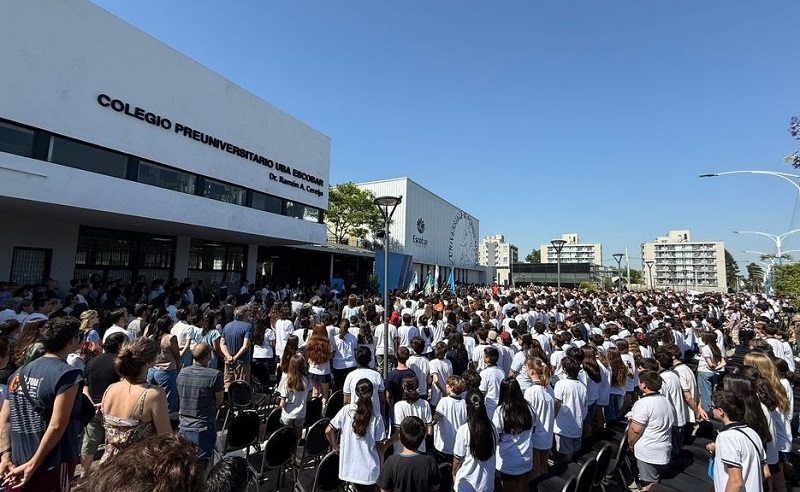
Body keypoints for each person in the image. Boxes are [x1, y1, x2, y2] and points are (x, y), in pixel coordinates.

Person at [0, 316, 85, 491]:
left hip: (17, 458)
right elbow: (57, 425)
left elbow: (4, 418)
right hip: (53, 460)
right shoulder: (68, 375)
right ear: (71, 342)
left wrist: (5, 455)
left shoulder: (18, 373)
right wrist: (34, 463)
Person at [100, 337, 171, 462]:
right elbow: (165, 437)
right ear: (149, 362)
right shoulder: (153, 394)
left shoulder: (110, 389)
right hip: (136, 467)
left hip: (108, 464)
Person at [71, 433, 206, 492]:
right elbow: (164, 430)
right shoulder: (153, 395)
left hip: (116, 462)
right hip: (149, 464)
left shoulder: (109, 391)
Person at [326, 378, 386, 491]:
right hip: (369, 472)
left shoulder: (346, 411)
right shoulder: (377, 417)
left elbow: (328, 430)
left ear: (356, 392)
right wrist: (382, 467)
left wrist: (336, 447)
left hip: (349, 470)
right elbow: (380, 446)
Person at [80, 332, 126, 475]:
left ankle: (83, 472)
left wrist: (91, 401)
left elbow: (85, 385)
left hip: (93, 407)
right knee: (112, 443)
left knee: (89, 442)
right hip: (114, 408)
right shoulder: (120, 363)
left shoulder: (92, 361)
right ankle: (107, 474)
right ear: (120, 345)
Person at [709, 390, 769, 492]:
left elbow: (736, 482)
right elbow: (766, 473)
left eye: (712, 406)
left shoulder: (726, 437)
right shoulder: (752, 433)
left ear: (720, 411)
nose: (711, 408)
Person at [176, 342, 224, 464]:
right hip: (204, 425)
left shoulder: (182, 372)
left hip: (183, 425)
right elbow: (219, 399)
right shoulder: (214, 375)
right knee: (203, 464)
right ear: (208, 356)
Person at [627, 370, 675, 489]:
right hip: (663, 449)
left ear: (644, 384)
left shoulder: (643, 403)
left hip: (649, 452)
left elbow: (635, 429)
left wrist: (630, 443)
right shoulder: (665, 401)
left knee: (651, 485)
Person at [377, 416, 441, 492]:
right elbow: (435, 485)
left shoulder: (392, 461)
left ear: (400, 436)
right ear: (423, 436)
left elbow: (384, 488)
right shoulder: (430, 460)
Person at [493, 378, 534, 492]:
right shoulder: (528, 408)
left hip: (508, 462)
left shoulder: (500, 411)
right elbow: (533, 428)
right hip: (526, 458)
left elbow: (496, 436)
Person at [452, 389, 497, 492]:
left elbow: (457, 459)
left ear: (467, 406)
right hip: (487, 484)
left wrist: (454, 473)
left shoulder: (463, 430)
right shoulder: (492, 427)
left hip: (466, 484)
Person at [524, 356, 554, 479]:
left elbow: (528, 416)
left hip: (536, 436)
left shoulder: (531, 391)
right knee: (544, 467)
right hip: (547, 434)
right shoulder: (549, 389)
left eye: (526, 368)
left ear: (531, 371)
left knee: (535, 470)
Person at [552, 356, 587, 462]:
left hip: (564, 427)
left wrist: (551, 418)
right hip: (577, 426)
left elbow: (556, 403)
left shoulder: (561, 384)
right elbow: (584, 406)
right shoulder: (582, 386)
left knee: (566, 458)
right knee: (574, 454)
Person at [146, 315, 181, 413]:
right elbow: (177, 355)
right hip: (167, 370)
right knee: (170, 401)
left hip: (152, 370)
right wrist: (178, 366)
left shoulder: (152, 337)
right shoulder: (170, 338)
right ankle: (170, 422)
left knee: (152, 398)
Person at [390, 375, 432, 455]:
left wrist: (386, 444)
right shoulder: (425, 404)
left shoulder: (399, 405)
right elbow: (429, 431)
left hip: (401, 451)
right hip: (420, 449)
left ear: (403, 387)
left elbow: (398, 433)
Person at [433, 375, 467, 463]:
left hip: (443, 445)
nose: (446, 385)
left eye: (447, 384)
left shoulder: (444, 401)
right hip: (458, 445)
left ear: (451, 388)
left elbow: (436, 417)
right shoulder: (465, 404)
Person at [343, 346, 385, 417]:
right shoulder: (377, 375)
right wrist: (382, 416)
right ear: (370, 359)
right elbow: (382, 401)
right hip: (374, 415)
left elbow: (346, 401)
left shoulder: (350, 376)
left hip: (355, 416)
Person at [277, 353, 311, 438]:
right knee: (298, 434)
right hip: (301, 413)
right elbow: (309, 396)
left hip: (287, 414)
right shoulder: (307, 380)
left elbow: (282, 403)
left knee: (287, 436)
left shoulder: (287, 381)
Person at [219, 306, 253, 389]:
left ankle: (227, 401)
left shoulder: (227, 326)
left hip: (228, 361)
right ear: (244, 314)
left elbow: (222, 344)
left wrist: (228, 356)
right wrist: (235, 357)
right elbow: (245, 346)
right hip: (242, 361)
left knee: (227, 384)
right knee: (242, 385)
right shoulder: (248, 327)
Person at [697, 331, 724, 414]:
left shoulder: (705, 348)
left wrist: (713, 367)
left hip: (704, 371)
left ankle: (708, 412)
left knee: (705, 394)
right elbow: (724, 361)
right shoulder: (719, 346)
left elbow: (710, 364)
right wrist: (717, 367)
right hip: (715, 373)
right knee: (713, 391)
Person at [304, 322, 332, 405]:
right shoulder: (327, 343)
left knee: (314, 392)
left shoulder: (310, 341)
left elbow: (306, 353)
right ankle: (323, 409)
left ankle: (314, 409)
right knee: (325, 395)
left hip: (312, 370)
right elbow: (331, 355)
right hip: (324, 371)